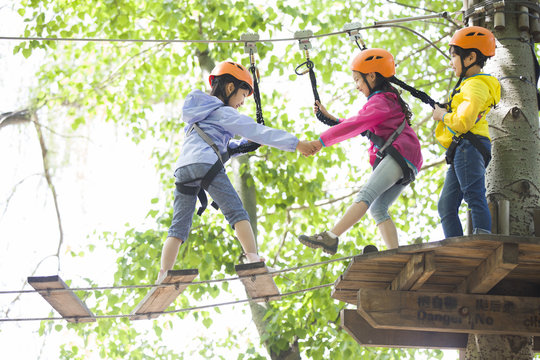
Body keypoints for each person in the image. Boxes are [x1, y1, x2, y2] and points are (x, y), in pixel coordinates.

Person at [159, 60, 317, 282]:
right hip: (207, 165)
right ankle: (253, 260)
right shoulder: (224, 112)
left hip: (184, 169)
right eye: (243, 95)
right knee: (236, 212)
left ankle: (163, 274)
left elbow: (214, 145)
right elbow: (257, 131)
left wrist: (241, 146)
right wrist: (296, 143)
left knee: (178, 226)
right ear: (230, 87)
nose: (243, 102)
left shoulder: (199, 113)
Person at [297, 48, 423, 254]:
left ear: (372, 76)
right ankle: (395, 255)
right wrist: (331, 119)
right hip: (408, 158)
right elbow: (360, 125)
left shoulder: (381, 101)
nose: (356, 86)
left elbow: (357, 124)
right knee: (378, 208)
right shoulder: (385, 101)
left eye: (357, 80)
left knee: (366, 194)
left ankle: (331, 237)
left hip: (401, 155)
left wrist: (320, 142)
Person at [432, 26, 500, 238]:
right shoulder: (472, 86)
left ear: (470, 57)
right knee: (446, 205)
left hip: (468, 147)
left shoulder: (474, 86)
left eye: (454, 56)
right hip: (465, 147)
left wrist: (442, 116)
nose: (451, 63)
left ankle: (483, 239)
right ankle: (455, 244)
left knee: (474, 196)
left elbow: (463, 121)